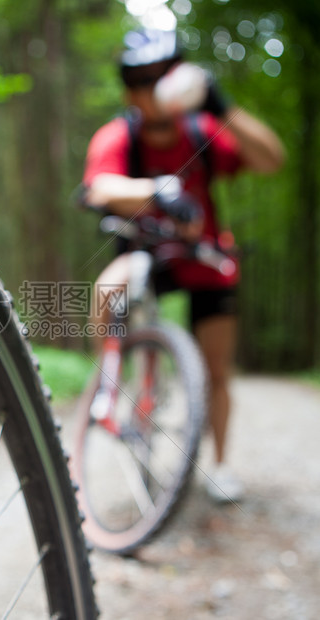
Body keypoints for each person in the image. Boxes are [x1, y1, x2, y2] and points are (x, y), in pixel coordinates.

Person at [82, 28, 285, 502]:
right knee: (108, 287)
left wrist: (224, 107)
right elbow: (99, 188)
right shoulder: (119, 135)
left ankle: (219, 464)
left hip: (203, 255)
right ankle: (111, 389)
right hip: (142, 248)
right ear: (129, 90)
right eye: (142, 80)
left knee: (217, 368)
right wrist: (158, 191)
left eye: (162, 76)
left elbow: (271, 159)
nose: (153, 88)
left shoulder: (204, 130)